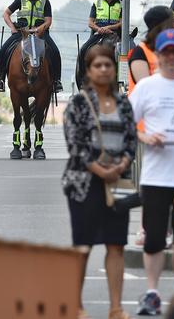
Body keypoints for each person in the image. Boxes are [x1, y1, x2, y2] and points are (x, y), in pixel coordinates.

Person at [128, 29, 174, 316]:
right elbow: (127, 124)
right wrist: (146, 138)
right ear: (157, 56)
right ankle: (152, 292)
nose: (171, 57)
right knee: (155, 238)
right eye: (166, 52)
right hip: (156, 176)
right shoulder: (147, 87)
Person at [62, 45, 137, 319]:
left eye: (108, 65)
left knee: (116, 244)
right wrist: (99, 169)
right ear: (88, 70)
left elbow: (131, 141)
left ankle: (116, 307)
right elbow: (75, 144)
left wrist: (121, 165)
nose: (104, 69)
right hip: (84, 182)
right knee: (83, 245)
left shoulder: (123, 104)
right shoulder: (79, 103)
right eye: (98, 65)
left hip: (117, 181)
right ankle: (76, 304)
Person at [126, 6, 174, 246]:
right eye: (172, 22)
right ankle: (145, 228)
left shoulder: (170, 49)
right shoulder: (140, 52)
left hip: (172, 125)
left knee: (171, 184)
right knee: (149, 182)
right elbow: (146, 86)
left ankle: (168, 229)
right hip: (146, 126)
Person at [0, 0, 63, 93]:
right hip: (21, 33)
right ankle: (1, 80)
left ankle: (57, 81)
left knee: (55, 51)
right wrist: (12, 28)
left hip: (40, 34)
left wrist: (37, 30)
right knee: (3, 50)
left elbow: (48, 21)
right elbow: (6, 14)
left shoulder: (45, 1)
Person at [76, 0, 122, 86]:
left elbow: (122, 22)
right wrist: (99, 29)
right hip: (98, 33)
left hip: (114, 34)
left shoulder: (120, 3)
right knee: (83, 50)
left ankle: (125, 79)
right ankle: (82, 79)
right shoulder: (97, 3)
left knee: (127, 51)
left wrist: (108, 28)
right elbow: (90, 22)